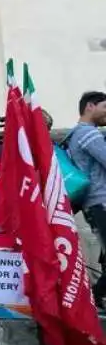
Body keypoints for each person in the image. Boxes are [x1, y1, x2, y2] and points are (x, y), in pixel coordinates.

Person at [65, 91, 106, 308]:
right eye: (105, 107)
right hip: (101, 202)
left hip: (94, 203)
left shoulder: (75, 134)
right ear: (90, 106)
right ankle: (91, 298)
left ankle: (95, 297)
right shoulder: (89, 134)